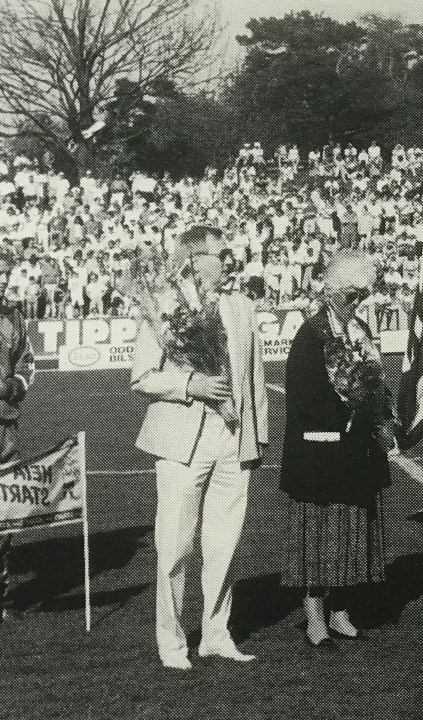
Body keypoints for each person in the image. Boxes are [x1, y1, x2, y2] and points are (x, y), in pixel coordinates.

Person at [131, 226, 269, 670]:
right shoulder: (163, 308)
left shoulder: (241, 305)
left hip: (233, 442)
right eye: (220, 253)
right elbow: (142, 378)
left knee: (224, 545)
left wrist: (256, 437)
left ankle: (216, 634)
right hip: (180, 443)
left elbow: (256, 379)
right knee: (174, 548)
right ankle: (171, 644)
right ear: (193, 259)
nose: (229, 260)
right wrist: (191, 384)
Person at [280, 250, 397, 648]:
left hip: (357, 452)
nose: (357, 302)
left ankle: (343, 610)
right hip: (322, 452)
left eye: (361, 295)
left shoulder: (361, 331)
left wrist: (381, 411)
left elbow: (375, 381)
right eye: (351, 295)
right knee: (319, 532)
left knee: (354, 530)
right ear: (332, 291)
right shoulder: (312, 334)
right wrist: (349, 418)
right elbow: (302, 397)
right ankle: (315, 616)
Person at [0, 256, 35, 623]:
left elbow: (27, 362)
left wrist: (13, 385)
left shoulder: (14, 317)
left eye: (3, 276)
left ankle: (3, 599)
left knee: (5, 515)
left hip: (4, 428)